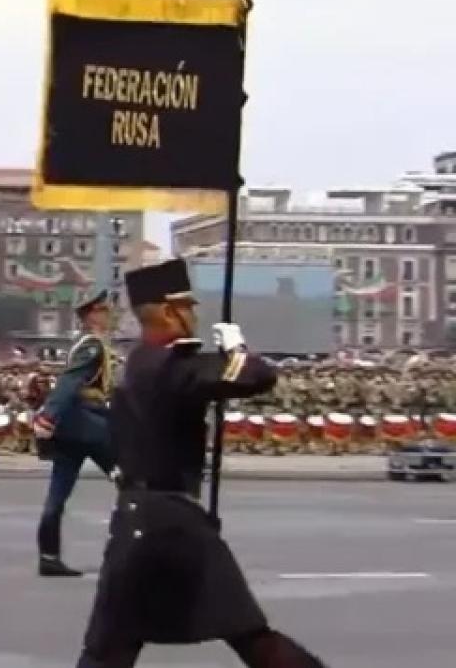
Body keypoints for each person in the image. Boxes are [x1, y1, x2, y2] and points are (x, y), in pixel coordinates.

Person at [75, 259, 325, 667]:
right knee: (251, 639)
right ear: (169, 311)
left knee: (109, 650)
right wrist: (235, 346)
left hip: (144, 518)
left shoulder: (141, 361)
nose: (194, 314)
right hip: (172, 523)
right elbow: (256, 376)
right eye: (187, 306)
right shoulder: (171, 364)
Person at [32, 290, 118, 577]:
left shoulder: (82, 343)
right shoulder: (91, 346)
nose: (109, 314)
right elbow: (69, 383)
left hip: (72, 428)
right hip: (89, 426)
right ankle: (130, 550)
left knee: (57, 494)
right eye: (104, 310)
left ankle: (48, 556)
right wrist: (47, 417)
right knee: (132, 483)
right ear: (91, 314)